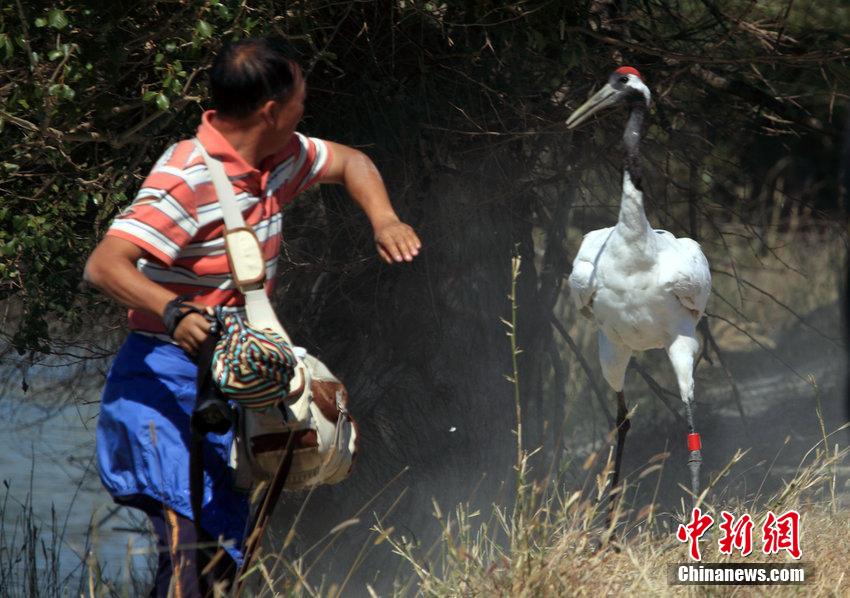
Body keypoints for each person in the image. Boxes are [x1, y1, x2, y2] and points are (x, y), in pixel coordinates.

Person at [84, 36, 421, 597]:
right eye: (300, 103)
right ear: (271, 110)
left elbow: (351, 161)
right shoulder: (186, 175)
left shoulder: (279, 158)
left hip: (230, 383)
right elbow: (104, 264)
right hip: (162, 386)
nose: (304, 111)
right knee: (189, 547)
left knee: (220, 565)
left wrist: (384, 220)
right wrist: (169, 309)